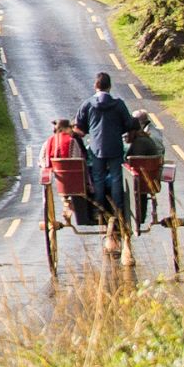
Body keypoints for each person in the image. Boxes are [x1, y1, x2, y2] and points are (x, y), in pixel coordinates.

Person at [77, 71, 136, 259]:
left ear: (95, 86)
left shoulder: (88, 104)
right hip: (115, 146)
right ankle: (118, 209)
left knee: (98, 177)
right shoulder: (118, 104)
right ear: (109, 87)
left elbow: (80, 127)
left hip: (96, 148)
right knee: (117, 177)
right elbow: (128, 124)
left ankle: (99, 208)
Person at [41, 117, 90, 220]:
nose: (71, 131)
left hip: (59, 179)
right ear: (64, 129)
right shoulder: (72, 141)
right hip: (76, 178)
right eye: (70, 128)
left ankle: (66, 200)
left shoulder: (48, 142)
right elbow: (78, 158)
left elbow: (42, 160)